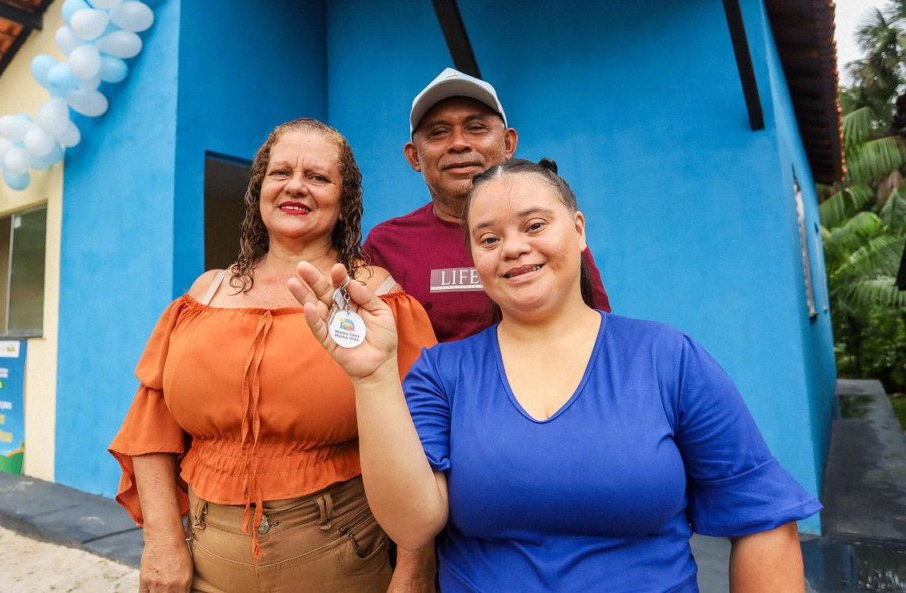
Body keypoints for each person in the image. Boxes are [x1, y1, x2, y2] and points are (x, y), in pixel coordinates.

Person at [289, 158, 822, 592]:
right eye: (488, 239)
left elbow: (764, 521)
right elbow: (413, 523)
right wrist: (374, 379)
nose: (514, 248)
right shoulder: (442, 374)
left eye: (535, 225)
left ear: (579, 230)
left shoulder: (667, 359)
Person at [109, 118, 437, 593]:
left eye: (318, 177)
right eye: (281, 172)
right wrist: (161, 542)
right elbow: (150, 429)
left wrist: (414, 569)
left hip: (344, 570)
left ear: (344, 201)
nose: (296, 186)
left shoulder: (377, 301)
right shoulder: (203, 296)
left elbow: (423, 444)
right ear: (259, 189)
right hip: (203, 571)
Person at [364, 68, 611, 343]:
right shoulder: (386, 245)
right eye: (439, 132)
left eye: (476, 128)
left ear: (508, 143)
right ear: (414, 156)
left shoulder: (549, 234)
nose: (459, 143)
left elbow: (597, 333)